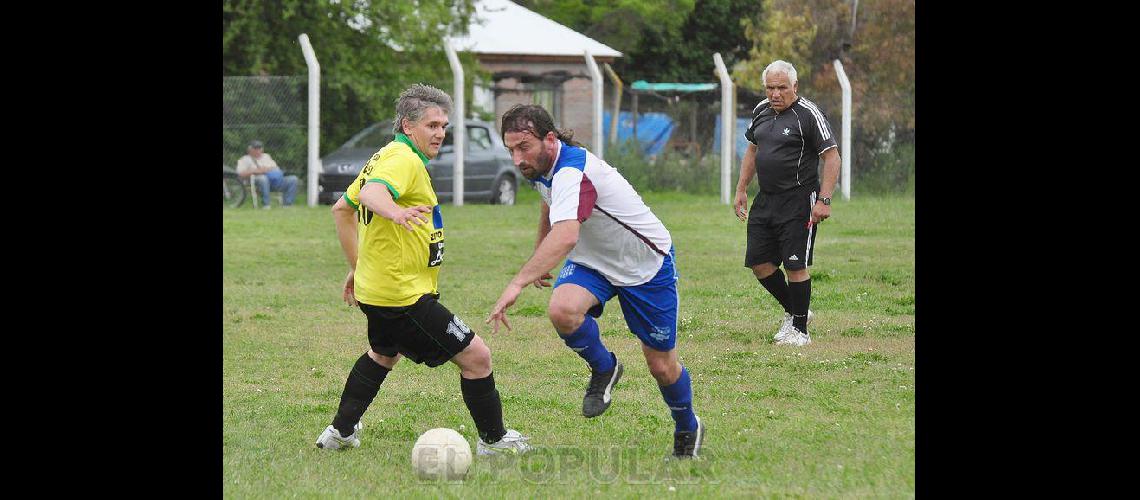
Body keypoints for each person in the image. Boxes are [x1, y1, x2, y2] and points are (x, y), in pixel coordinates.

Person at [316, 84, 531, 455]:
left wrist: (360, 265)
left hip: (379, 289)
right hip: (404, 296)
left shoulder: (385, 155)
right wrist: (396, 212)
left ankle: (340, 432)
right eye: (432, 125)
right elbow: (368, 196)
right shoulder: (403, 160)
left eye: (444, 125)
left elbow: (342, 209)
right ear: (407, 125)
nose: (440, 133)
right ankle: (495, 441)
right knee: (477, 357)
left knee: (383, 355)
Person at [486, 104, 704, 458]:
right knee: (562, 310)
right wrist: (540, 252)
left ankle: (687, 428)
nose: (516, 159)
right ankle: (605, 368)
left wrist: (518, 282)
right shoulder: (544, 166)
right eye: (511, 149)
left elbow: (568, 234)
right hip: (595, 262)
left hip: (644, 265)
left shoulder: (573, 170)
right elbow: (550, 205)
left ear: (550, 139)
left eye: (523, 147)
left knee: (661, 366)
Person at [733, 60, 841, 347]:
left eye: (782, 87)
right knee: (759, 263)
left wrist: (824, 200)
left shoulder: (808, 114)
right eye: (770, 87)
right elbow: (752, 150)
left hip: (799, 200)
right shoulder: (761, 111)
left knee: (795, 265)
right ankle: (796, 311)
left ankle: (800, 331)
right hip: (765, 199)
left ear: (795, 86)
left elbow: (832, 157)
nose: (775, 94)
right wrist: (741, 188)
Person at [235, 140, 299, 208]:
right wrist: (256, 171)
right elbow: (240, 173)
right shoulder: (244, 159)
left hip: (274, 181)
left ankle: (287, 204)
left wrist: (266, 169)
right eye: (255, 148)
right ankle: (266, 205)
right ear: (250, 149)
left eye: (260, 148)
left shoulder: (266, 156)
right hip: (258, 183)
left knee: (293, 179)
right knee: (263, 178)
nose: (258, 150)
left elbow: (276, 168)